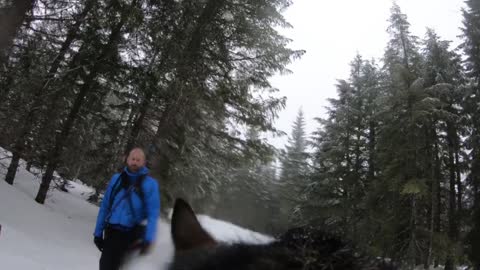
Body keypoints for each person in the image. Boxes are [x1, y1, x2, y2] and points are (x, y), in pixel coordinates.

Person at [93, 147, 160, 270]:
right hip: (112, 232)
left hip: (131, 235)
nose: (135, 162)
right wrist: (98, 233)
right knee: (105, 266)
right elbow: (105, 206)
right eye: (132, 159)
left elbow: (153, 214)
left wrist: (149, 239)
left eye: (138, 160)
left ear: (143, 162)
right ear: (127, 160)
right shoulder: (116, 179)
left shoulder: (150, 184)